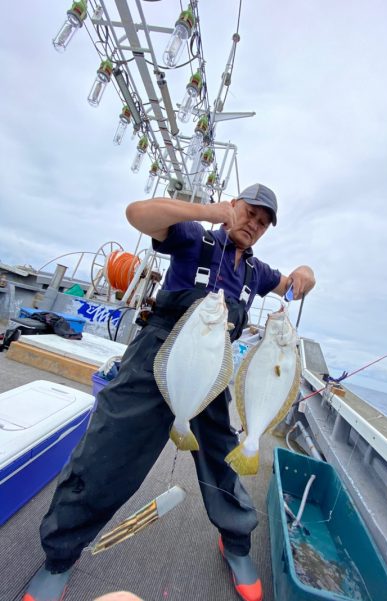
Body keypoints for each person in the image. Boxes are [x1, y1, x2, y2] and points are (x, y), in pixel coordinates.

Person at [23, 184, 316, 601]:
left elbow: (291, 287)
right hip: (155, 356)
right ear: (234, 207)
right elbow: (138, 213)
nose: (255, 224)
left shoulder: (257, 272)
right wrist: (208, 211)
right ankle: (59, 556)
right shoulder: (194, 237)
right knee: (106, 452)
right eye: (250, 212)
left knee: (224, 456)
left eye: (264, 222)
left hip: (211, 370)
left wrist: (306, 272)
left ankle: (234, 542)